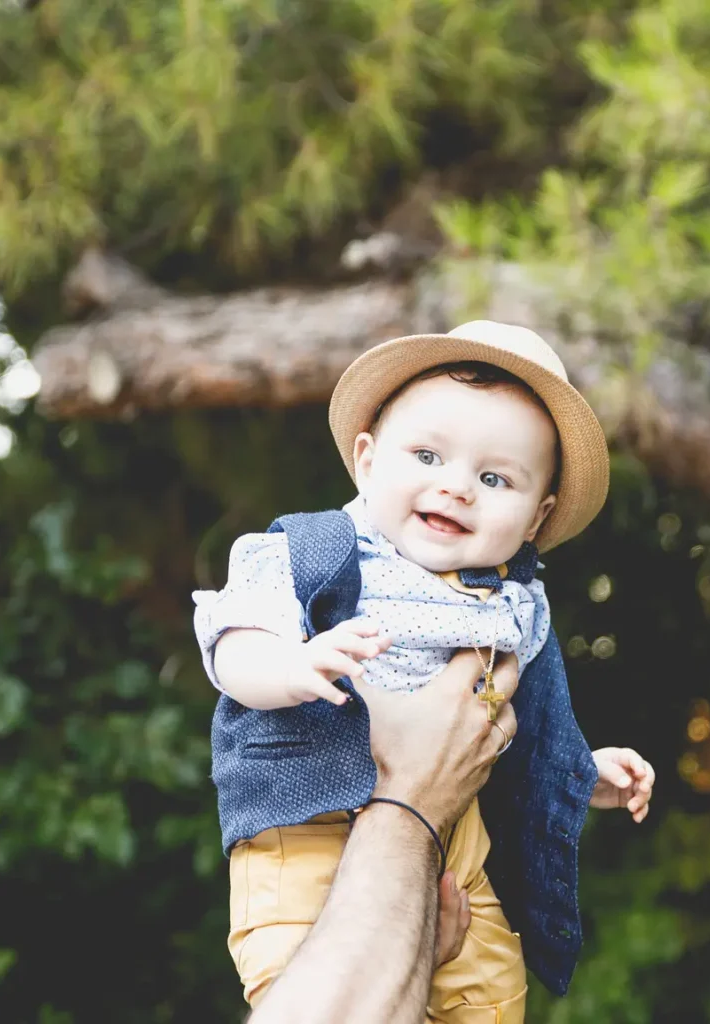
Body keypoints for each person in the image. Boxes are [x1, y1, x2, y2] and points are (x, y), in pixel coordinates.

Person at [193, 321, 656, 1021]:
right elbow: (230, 641)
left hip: (456, 835)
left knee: (492, 990)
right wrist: (289, 665)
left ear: (537, 518)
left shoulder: (514, 605)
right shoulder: (312, 552)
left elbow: (518, 727)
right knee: (311, 969)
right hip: (308, 819)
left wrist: (579, 775)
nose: (457, 487)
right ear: (367, 460)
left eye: (494, 478)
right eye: (428, 455)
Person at [247, 651, 521, 1024]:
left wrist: (407, 953)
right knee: (495, 994)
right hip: (318, 812)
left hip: (407, 828)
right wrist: (410, 803)